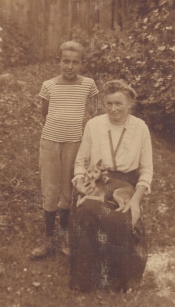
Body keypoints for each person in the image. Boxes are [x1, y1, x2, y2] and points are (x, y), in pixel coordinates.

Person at [68, 80, 153, 292]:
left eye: (119, 103)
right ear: (103, 104)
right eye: (108, 103)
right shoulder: (93, 125)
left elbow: (146, 171)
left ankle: (121, 277)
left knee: (121, 218)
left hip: (125, 187)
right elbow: (80, 162)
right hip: (96, 184)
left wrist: (135, 201)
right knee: (87, 211)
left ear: (129, 103)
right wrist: (79, 184)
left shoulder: (140, 127)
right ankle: (85, 278)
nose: (113, 108)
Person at [30, 41, 99, 259]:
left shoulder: (88, 84)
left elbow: (95, 112)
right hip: (50, 143)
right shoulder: (48, 85)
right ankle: (49, 240)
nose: (70, 66)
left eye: (75, 62)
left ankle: (64, 237)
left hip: (74, 144)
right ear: (58, 62)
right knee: (50, 190)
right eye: (65, 62)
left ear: (82, 64)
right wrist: (54, 134)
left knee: (68, 192)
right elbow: (44, 114)